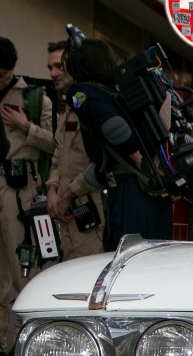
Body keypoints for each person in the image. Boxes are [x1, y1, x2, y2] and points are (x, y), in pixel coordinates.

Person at [61, 38, 172, 251]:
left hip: (130, 191)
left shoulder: (81, 92)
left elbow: (114, 127)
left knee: (126, 264)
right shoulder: (117, 92)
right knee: (155, 262)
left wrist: (140, 163)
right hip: (155, 194)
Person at [0, 36, 53, 356]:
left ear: (12, 70)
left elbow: (55, 143)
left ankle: (15, 344)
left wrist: (26, 126)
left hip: (18, 189)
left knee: (20, 269)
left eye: (2, 74)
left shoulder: (34, 97)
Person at [44, 40, 104, 260]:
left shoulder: (91, 106)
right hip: (65, 213)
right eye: (50, 67)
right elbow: (59, 155)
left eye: (60, 66)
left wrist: (69, 194)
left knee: (88, 280)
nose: (54, 73)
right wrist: (51, 188)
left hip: (92, 211)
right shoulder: (69, 107)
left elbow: (102, 164)